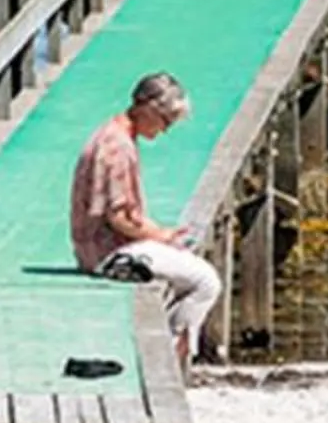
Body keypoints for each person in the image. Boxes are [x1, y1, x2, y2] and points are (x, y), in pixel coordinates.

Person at [69, 71, 221, 362]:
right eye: (165, 121)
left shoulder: (111, 132)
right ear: (149, 109)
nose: (165, 130)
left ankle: (171, 340)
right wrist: (160, 236)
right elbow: (120, 218)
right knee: (206, 281)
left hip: (96, 246)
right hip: (109, 254)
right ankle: (173, 353)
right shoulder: (118, 148)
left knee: (183, 259)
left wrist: (161, 234)